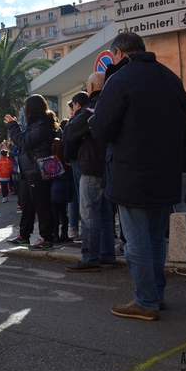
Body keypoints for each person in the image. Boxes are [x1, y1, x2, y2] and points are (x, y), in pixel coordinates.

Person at [90, 31, 186, 321]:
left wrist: (95, 118)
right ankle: (156, 296)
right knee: (156, 238)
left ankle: (145, 301)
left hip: (132, 172)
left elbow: (102, 129)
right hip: (166, 172)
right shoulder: (170, 78)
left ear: (119, 53)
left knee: (137, 242)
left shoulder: (120, 80)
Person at [66, 72, 116, 273]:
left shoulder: (91, 105)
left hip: (91, 166)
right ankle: (107, 255)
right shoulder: (111, 104)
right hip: (107, 166)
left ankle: (89, 258)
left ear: (92, 87)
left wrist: (84, 134)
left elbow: (71, 131)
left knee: (89, 214)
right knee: (105, 213)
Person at [4, 95, 58, 250]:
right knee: (27, 204)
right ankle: (24, 235)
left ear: (32, 108)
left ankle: (47, 239)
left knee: (42, 205)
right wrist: (16, 126)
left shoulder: (40, 125)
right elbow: (24, 139)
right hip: (30, 170)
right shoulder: (35, 124)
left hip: (36, 170)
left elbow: (25, 141)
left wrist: (13, 126)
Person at [63, 92, 89, 241]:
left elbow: (69, 142)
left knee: (80, 198)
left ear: (77, 104)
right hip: (89, 162)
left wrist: (67, 158)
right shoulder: (93, 114)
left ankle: (80, 231)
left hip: (79, 162)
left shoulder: (76, 121)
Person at [50, 138, 73, 242]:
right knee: (63, 213)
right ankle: (65, 233)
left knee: (55, 213)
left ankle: (55, 234)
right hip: (65, 188)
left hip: (54, 188)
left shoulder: (51, 162)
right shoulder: (66, 162)